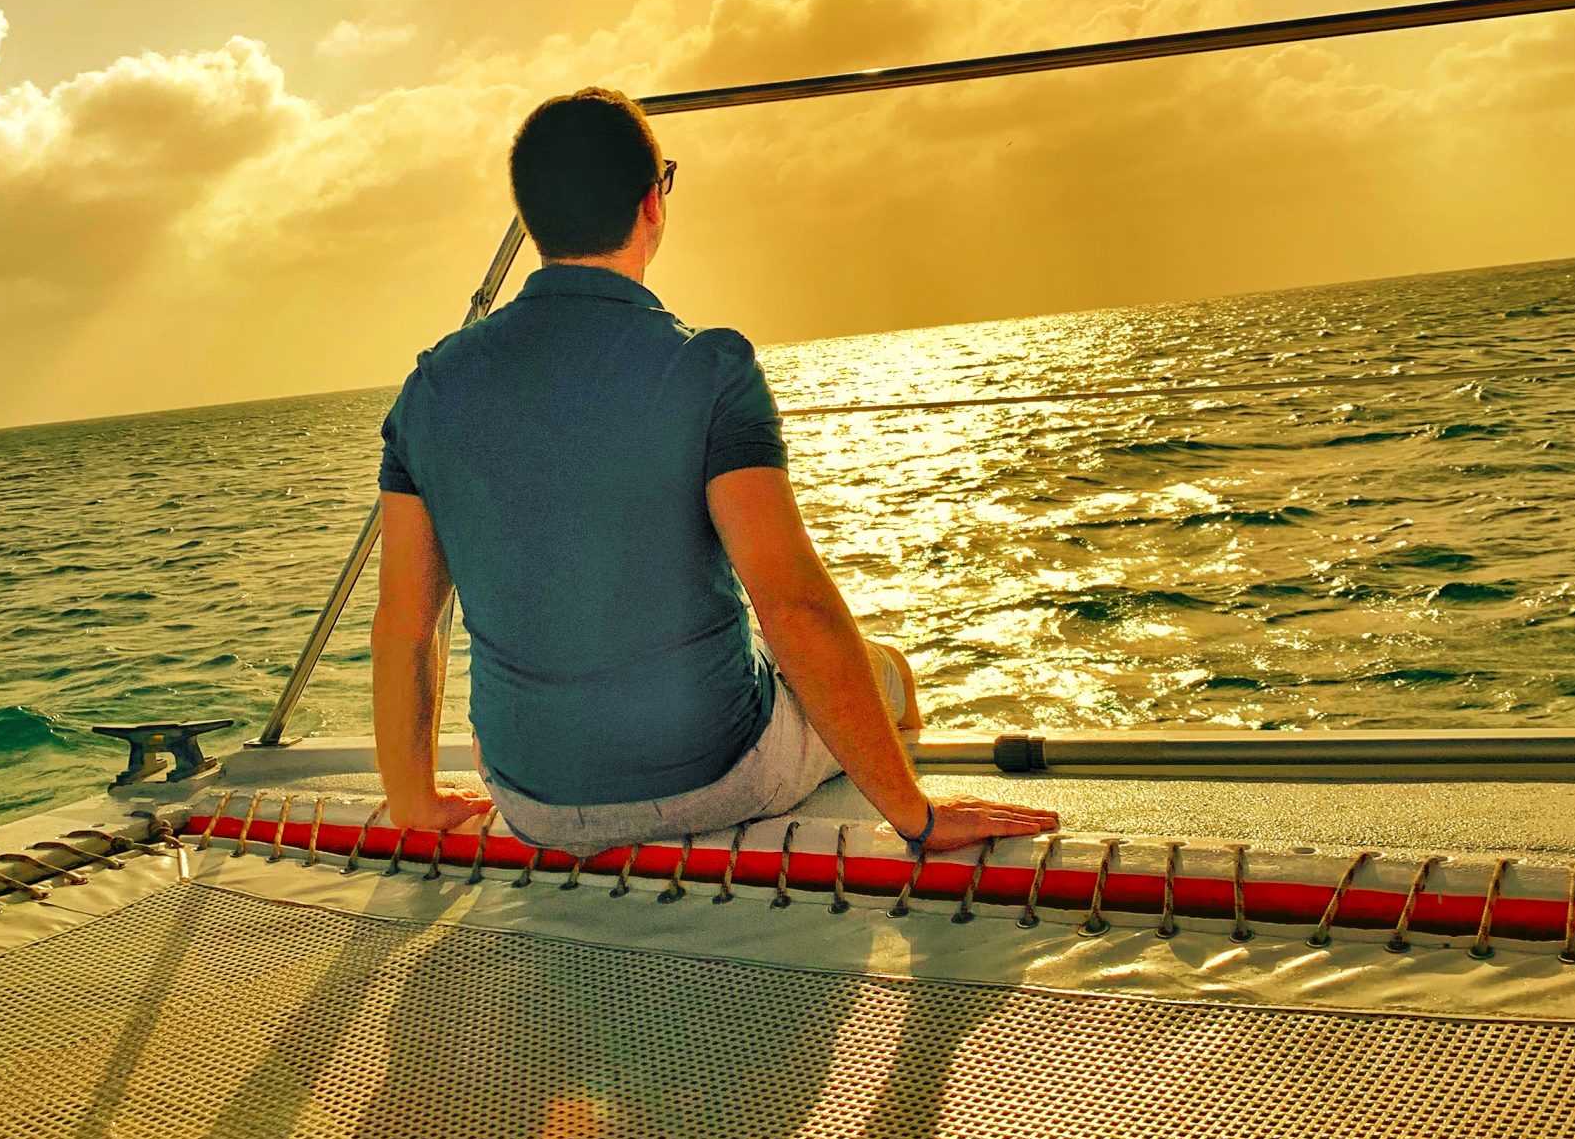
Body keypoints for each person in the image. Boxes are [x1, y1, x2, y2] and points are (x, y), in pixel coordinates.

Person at [369, 85, 1058, 856]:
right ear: (651, 204)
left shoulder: (430, 389)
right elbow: (792, 606)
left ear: (530, 221)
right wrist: (918, 818)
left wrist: (414, 801)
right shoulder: (709, 368)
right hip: (718, 774)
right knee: (885, 673)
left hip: (533, 799)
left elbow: (405, 624)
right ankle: (900, 797)